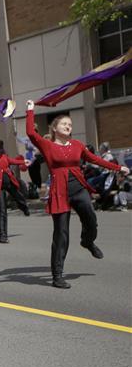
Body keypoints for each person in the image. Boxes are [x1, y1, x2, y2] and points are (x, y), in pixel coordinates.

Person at [25, 100, 129, 288]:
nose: (68, 126)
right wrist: (30, 109)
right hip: (60, 192)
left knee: (91, 220)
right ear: (54, 128)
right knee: (61, 234)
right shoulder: (47, 145)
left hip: (79, 189)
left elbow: (95, 159)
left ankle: (87, 242)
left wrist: (118, 167)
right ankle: (57, 275)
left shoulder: (77, 145)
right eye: (64, 124)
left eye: (70, 125)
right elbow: (31, 133)